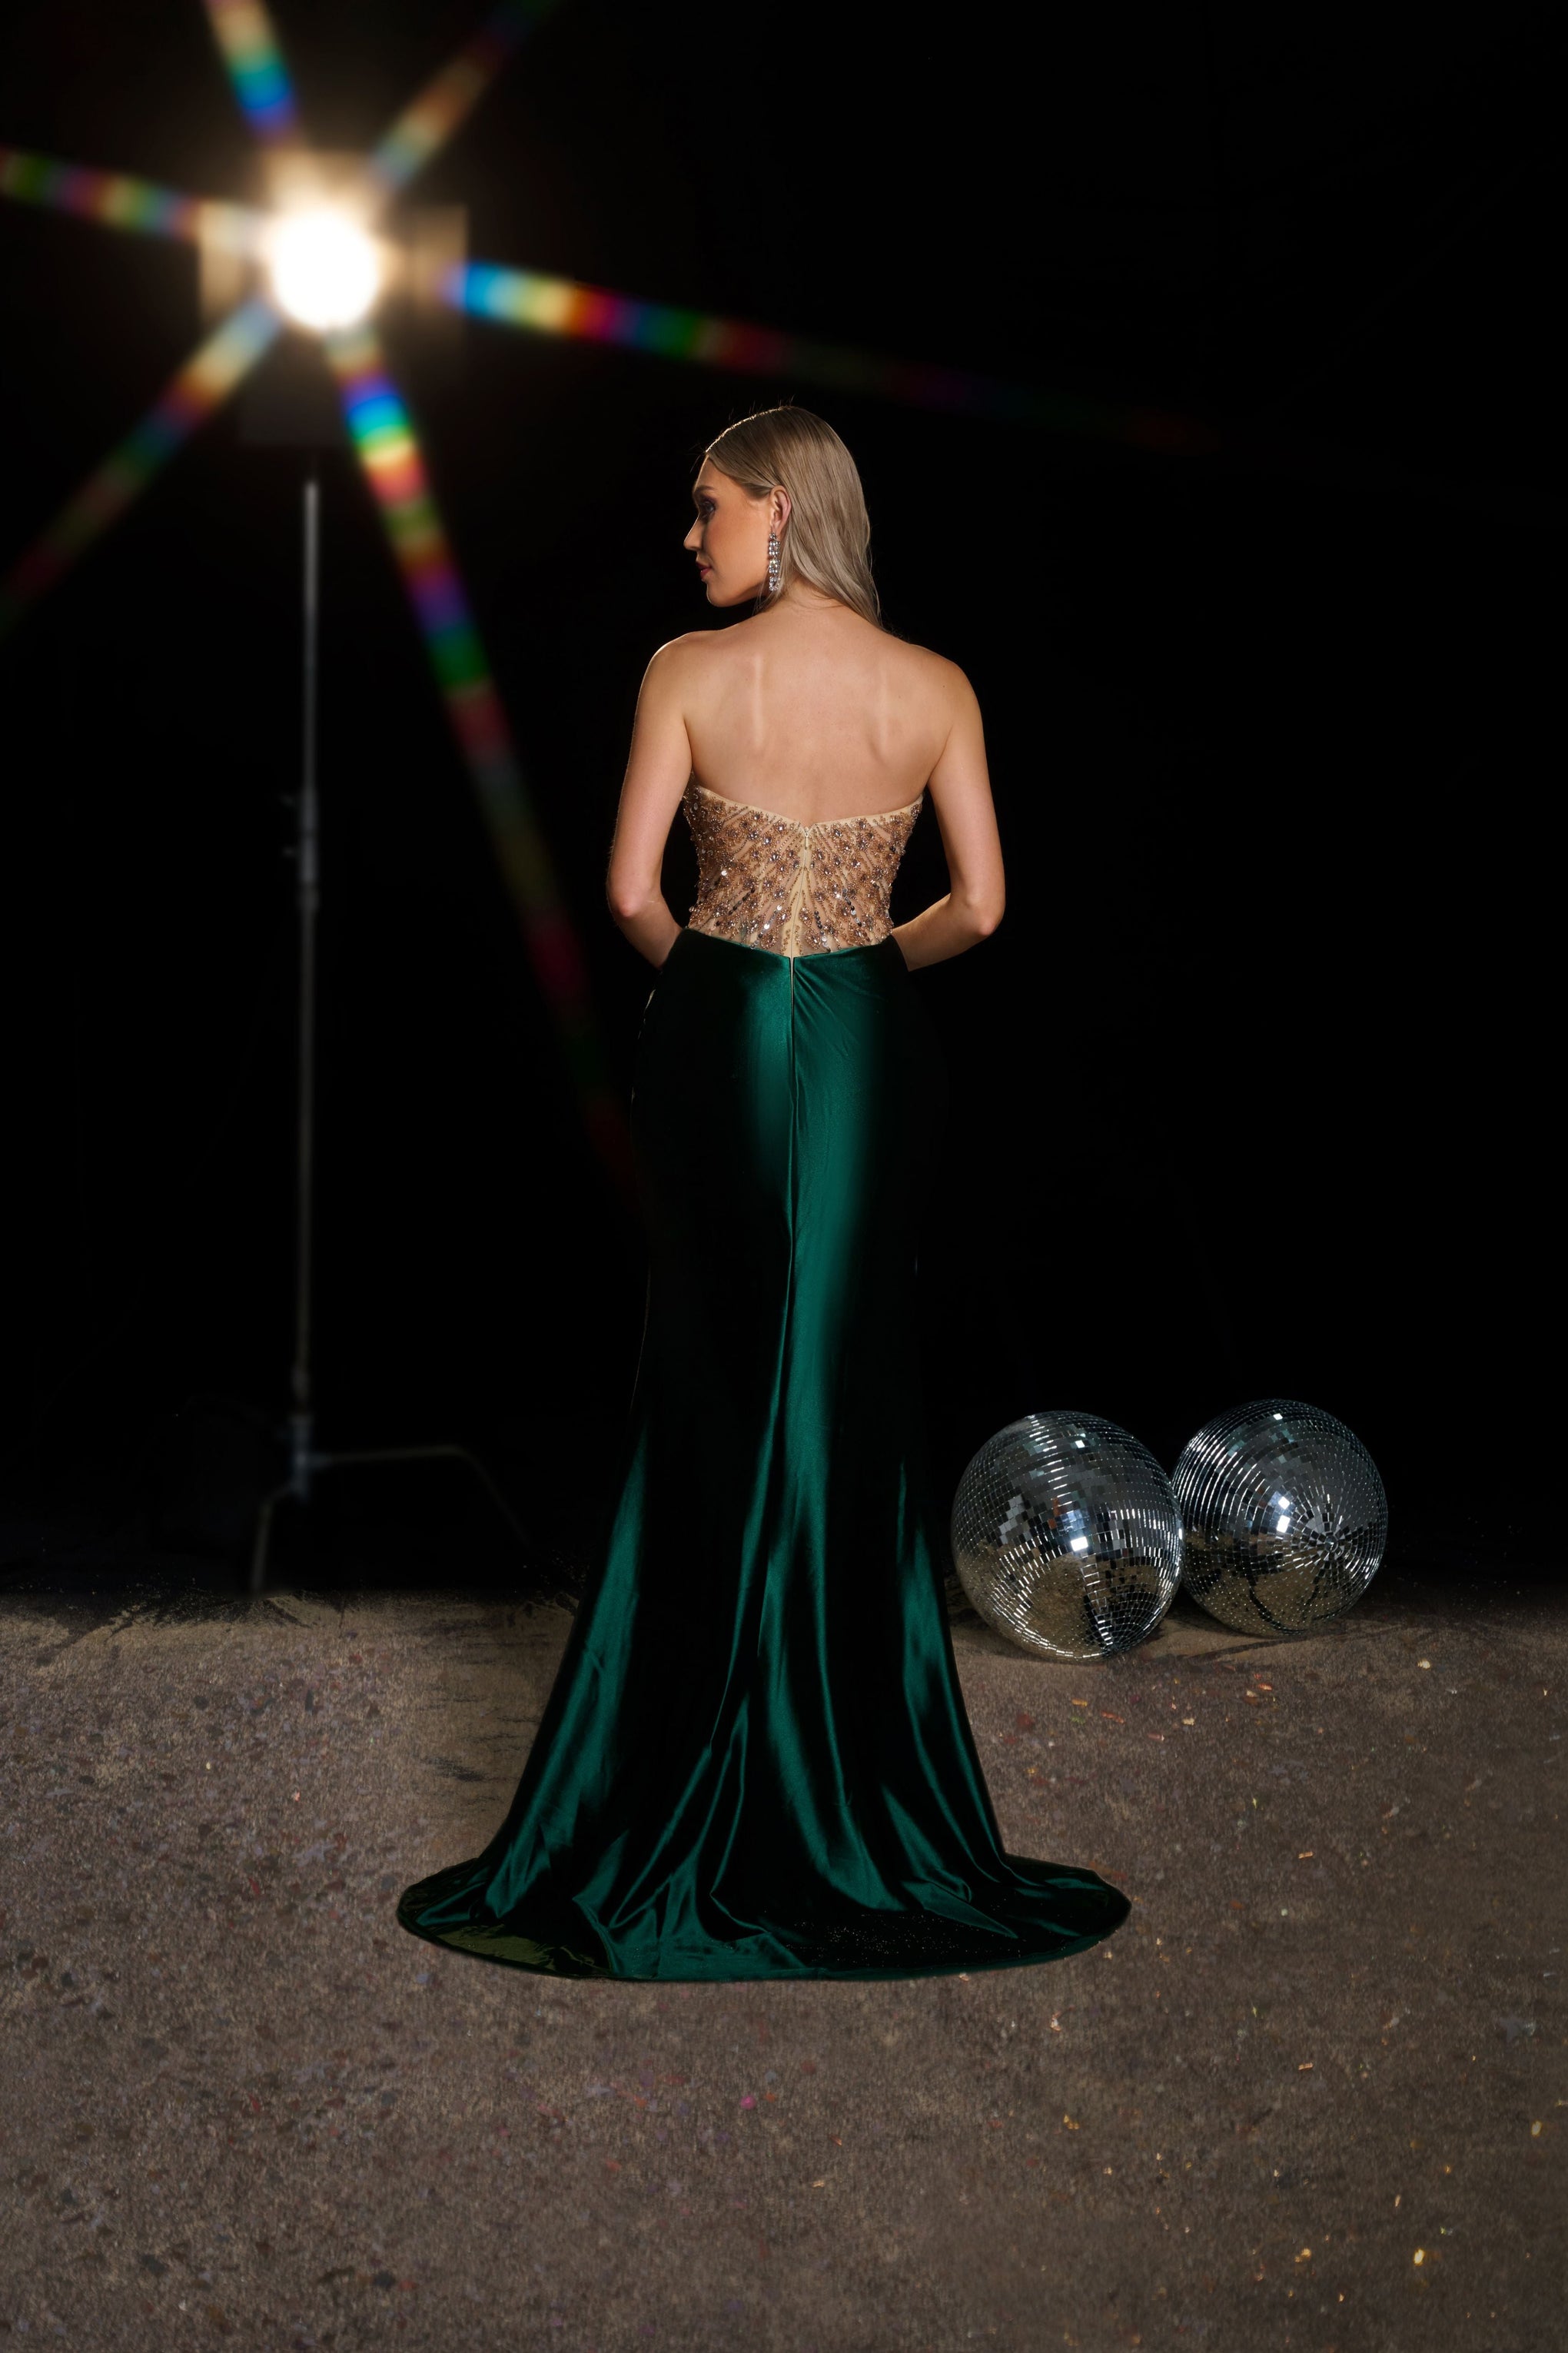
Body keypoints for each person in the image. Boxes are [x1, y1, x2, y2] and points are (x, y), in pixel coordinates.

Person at [397, 406, 1130, 1979]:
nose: (692, 537)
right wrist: (853, 972)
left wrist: (731, 988)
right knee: (842, 1377)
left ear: (783, 511)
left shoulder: (684, 672)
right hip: (867, 1043)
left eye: (710, 508)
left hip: (718, 1030)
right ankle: (852, 1789)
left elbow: (627, 895)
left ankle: (677, 1762)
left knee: (715, 1374)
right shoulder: (937, 686)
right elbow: (984, 907)